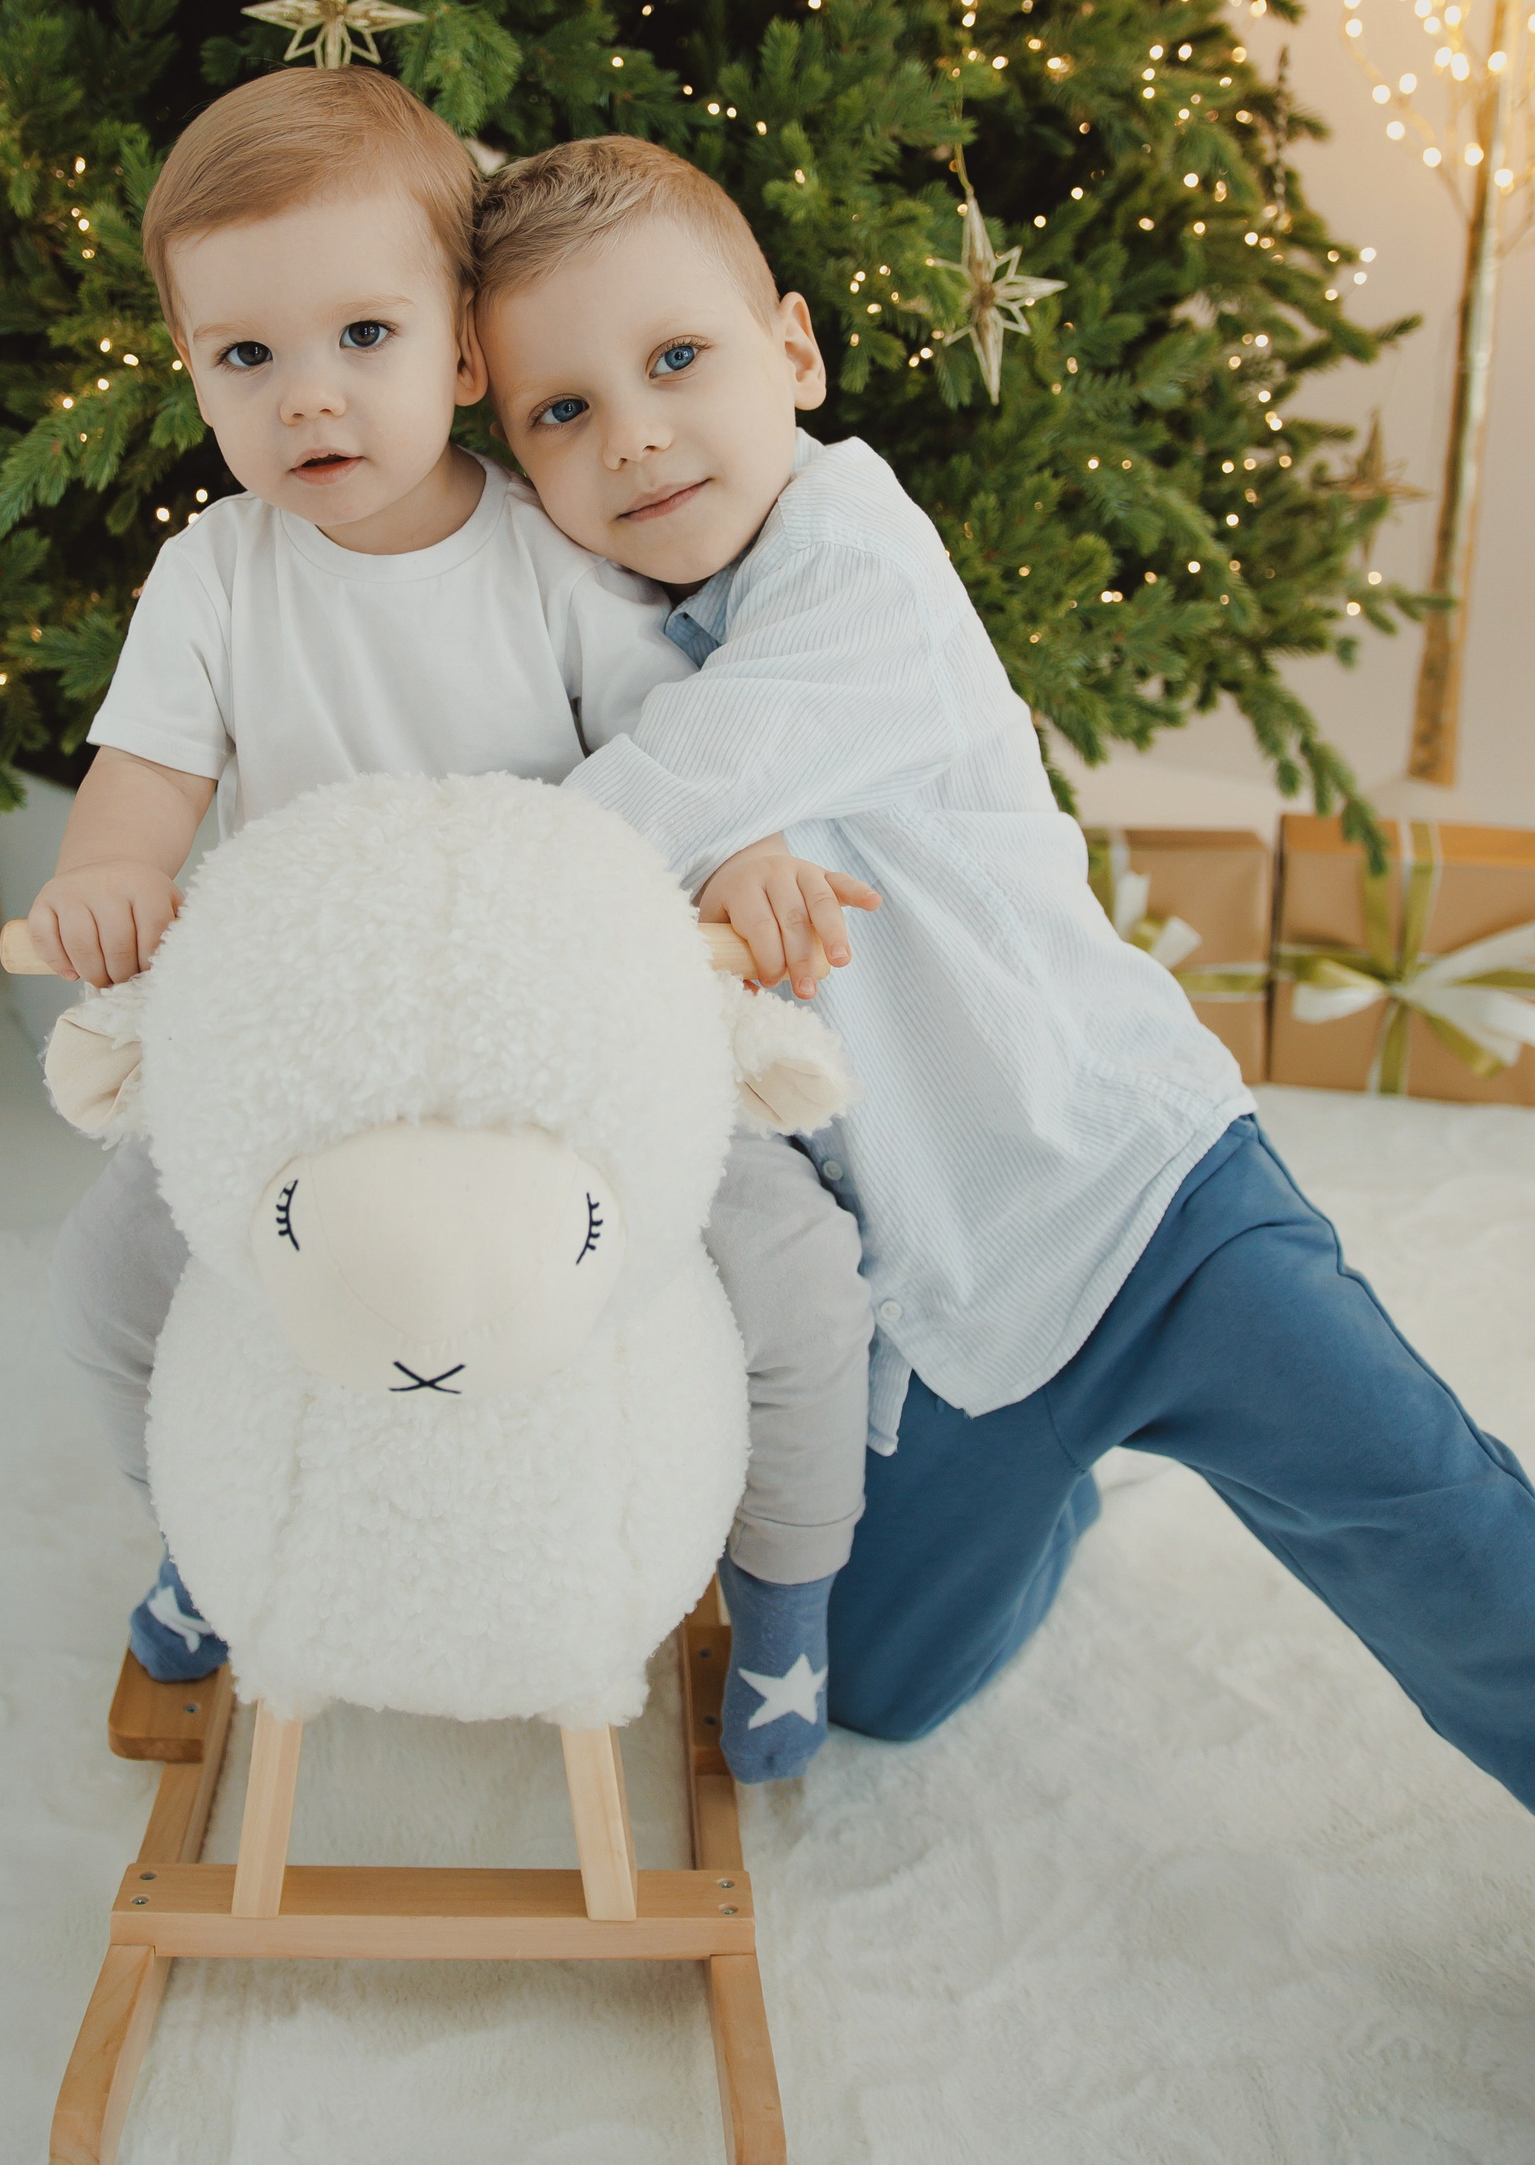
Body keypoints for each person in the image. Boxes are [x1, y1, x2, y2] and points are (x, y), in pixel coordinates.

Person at [472, 132, 1535, 1811]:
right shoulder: (623, 631)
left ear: (794, 352)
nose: (636, 434)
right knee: (882, 1684)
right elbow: (675, 801)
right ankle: (1066, 1482)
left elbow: (662, 797)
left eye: (677, 359)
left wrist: (460, 902)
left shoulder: (854, 558)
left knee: (1437, 1537)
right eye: (562, 410)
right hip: (955, 1299)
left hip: (1150, 1196)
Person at [34, 68, 872, 1779]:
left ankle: (787, 1597)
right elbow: (145, 776)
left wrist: (748, 861)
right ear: (191, 369)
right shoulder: (219, 575)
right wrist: (111, 871)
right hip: (312, 1059)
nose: (308, 397)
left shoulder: (550, 563)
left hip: (558, 1052)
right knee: (107, 1279)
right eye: (244, 356)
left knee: (797, 1275)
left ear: (466, 355)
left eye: (365, 335)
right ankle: (203, 1532)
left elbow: (684, 751)